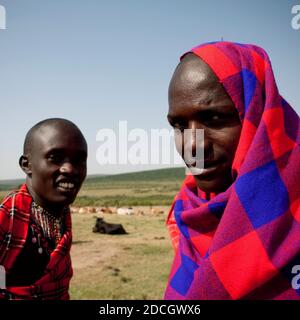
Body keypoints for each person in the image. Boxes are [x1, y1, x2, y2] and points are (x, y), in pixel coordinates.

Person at [165, 41, 300, 300]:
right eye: (180, 125)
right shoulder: (190, 210)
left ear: (258, 117)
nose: (193, 145)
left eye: (214, 119)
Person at [0, 118, 87, 299]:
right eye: (55, 158)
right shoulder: (8, 218)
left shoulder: (60, 213)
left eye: (79, 160)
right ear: (27, 165)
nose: (70, 169)